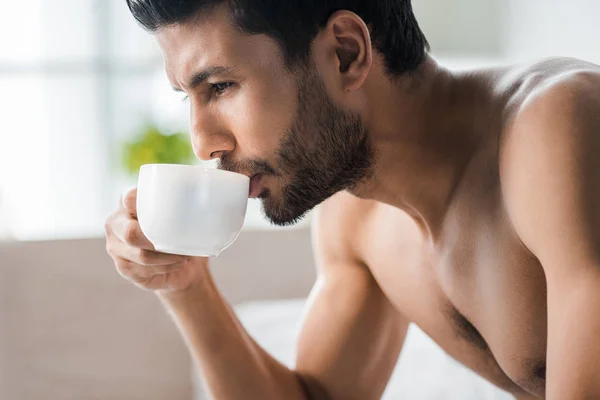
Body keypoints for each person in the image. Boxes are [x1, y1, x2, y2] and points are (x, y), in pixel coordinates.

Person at [104, 1, 600, 399]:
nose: (202, 143)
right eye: (186, 97)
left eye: (220, 86)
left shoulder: (557, 129)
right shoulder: (355, 217)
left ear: (345, 52)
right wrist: (186, 287)